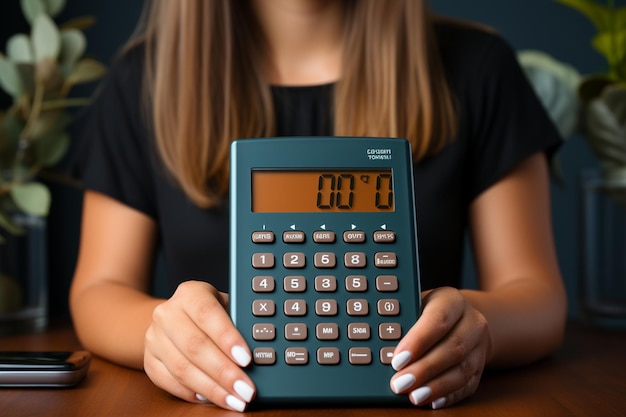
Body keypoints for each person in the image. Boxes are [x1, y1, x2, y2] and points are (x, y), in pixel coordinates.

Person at [69, 0, 567, 412]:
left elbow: (537, 295)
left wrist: (473, 330)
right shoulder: (144, 80)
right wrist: (165, 336)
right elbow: (99, 289)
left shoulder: (479, 67)